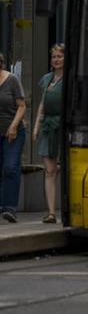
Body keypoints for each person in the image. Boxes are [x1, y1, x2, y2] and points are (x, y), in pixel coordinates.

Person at [33, 44, 66, 223]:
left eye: (60, 56)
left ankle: (68, 210)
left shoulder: (70, 80)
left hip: (62, 126)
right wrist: (36, 126)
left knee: (65, 169)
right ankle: (52, 213)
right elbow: (42, 104)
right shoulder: (46, 79)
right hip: (47, 126)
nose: (56, 60)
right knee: (50, 170)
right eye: (54, 57)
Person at [0, 57, 27, 223]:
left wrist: (13, 126)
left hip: (13, 132)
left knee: (10, 167)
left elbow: (22, 106)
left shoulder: (12, 80)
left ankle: (10, 208)